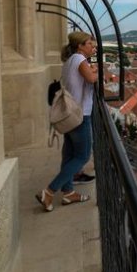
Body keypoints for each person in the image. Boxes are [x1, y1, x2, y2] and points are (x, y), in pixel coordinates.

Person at [36, 31, 98, 212]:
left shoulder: (70, 60)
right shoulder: (80, 59)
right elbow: (91, 79)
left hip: (69, 114)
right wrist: (98, 70)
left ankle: (69, 192)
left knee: (70, 155)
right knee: (82, 156)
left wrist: (91, 69)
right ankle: (49, 191)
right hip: (80, 115)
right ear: (80, 46)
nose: (93, 47)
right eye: (90, 44)